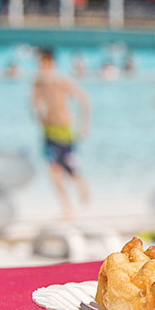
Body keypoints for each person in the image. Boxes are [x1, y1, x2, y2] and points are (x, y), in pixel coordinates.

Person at [31, 47, 91, 220]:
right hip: (49, 132)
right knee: (53, 172)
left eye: (43, 62)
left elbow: (83, 99)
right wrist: (38, 117)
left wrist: (84, 125)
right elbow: (35, 103)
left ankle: (82, 186)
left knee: (70, 170)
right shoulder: (38, 82)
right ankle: (67, 207)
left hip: (64, 131)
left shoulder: (60, 80)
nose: (41, 66)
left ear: (50, 62)